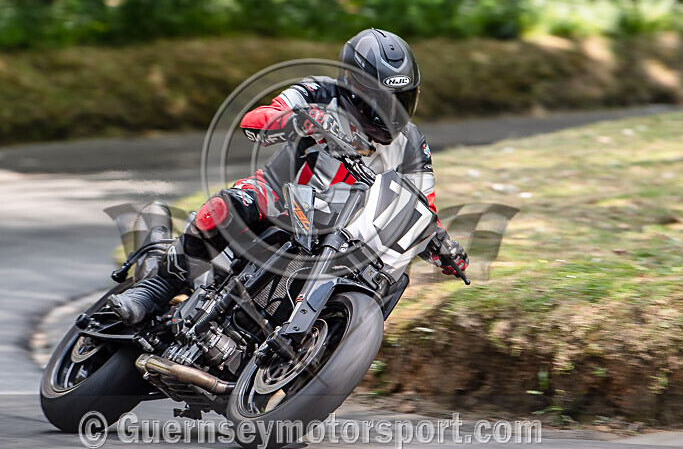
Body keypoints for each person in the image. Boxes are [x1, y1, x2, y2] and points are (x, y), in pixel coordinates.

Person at [109, 28, 468, 326]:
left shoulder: (412, 142)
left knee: (388, 276)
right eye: (381, 100)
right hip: (282, 197)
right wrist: (297, 120)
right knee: (227, 206)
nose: (392, 113)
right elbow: (257, 118)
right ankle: (155, 288)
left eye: (401, 101)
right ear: (353, 85)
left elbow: (422, 205)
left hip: (344, 231)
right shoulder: (319, 92)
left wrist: (440, 244)